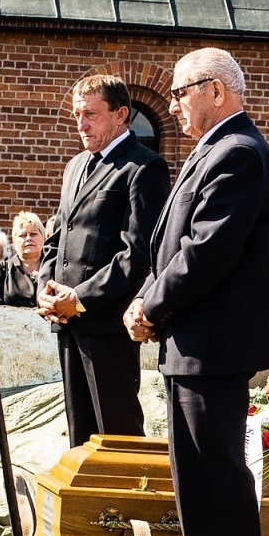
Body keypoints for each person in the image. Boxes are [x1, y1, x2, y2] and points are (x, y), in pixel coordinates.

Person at [125, 47, 269, 536]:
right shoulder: (213, 150)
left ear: (216, 90)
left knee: (214, 468)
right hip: (195, 339)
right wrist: (151, 295)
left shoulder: (236, 152)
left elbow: (205, 253)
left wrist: (150, 304)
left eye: (180, 91)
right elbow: (172, 244)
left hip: (213, 341)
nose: (172, 104)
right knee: (195, 469)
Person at [38, 73, 167, 442]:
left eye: (91, 114)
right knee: (80, 434)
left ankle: (126, 502)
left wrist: (78, 299)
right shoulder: (76, 165)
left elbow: (137, 253)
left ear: (121, 114)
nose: (81, 124)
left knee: (116, 433)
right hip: (66, 323)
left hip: (108, 325)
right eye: (77, 114)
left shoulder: (143, 167)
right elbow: (56, 237)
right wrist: (45, 290)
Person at [0, 211, 44, 307]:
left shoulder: (54, 266)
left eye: (33, 234)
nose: (28, 238)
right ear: (14, 241)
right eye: (22, 235)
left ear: (44, 237)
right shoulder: (0, 269)